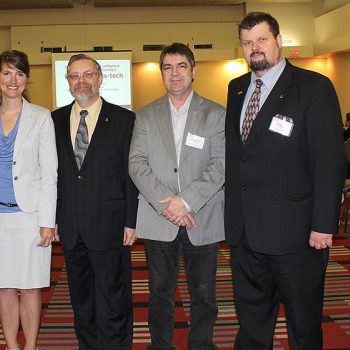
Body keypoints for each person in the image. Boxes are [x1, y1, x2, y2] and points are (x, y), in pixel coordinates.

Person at [224, 12, 346, 349]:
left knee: (303, 326)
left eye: (261, 40)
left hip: (296, 235)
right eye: (248, 42)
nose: (254, 48)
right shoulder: (236, 89)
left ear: (279, 42)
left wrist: (324, 224)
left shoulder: (313, 87)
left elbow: (328, 160)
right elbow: (239, 158)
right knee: (251, 324)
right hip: (245, 234)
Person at [129, 42, 225, 350]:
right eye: (168, 67)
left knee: (204, 293)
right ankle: (161, 345)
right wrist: (170, 205)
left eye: (181, 66)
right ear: (161, 74)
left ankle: (201, 345)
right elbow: (137, 164)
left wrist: (186, 202)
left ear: (194, 71)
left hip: (203, 216)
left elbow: (220, 164)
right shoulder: (144, 116)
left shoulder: (215, 114)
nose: (175, 73)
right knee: (159, 292)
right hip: (160, 219)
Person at [51, 54, 138, 350]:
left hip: (110, 223)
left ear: (100, 78)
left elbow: (131, 175)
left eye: (88, 74)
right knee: (82, 300)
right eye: (74, 76)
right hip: (71, 225)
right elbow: (53, 175)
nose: (81, 81)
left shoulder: (125, 119)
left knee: (114, 298)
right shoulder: (55, 120)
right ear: (68, 82)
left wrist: (130, 220)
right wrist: (53, 220)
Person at [0, 50, 58, 350]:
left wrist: (47, 221)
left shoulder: (41, 116)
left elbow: (50, 172)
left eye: (20, 73)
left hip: (29, 216)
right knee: (4, 285)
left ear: (27, 79)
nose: (13, 80)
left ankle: (31, 345)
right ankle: (12, 345)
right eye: (7, 73)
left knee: (30, 285)